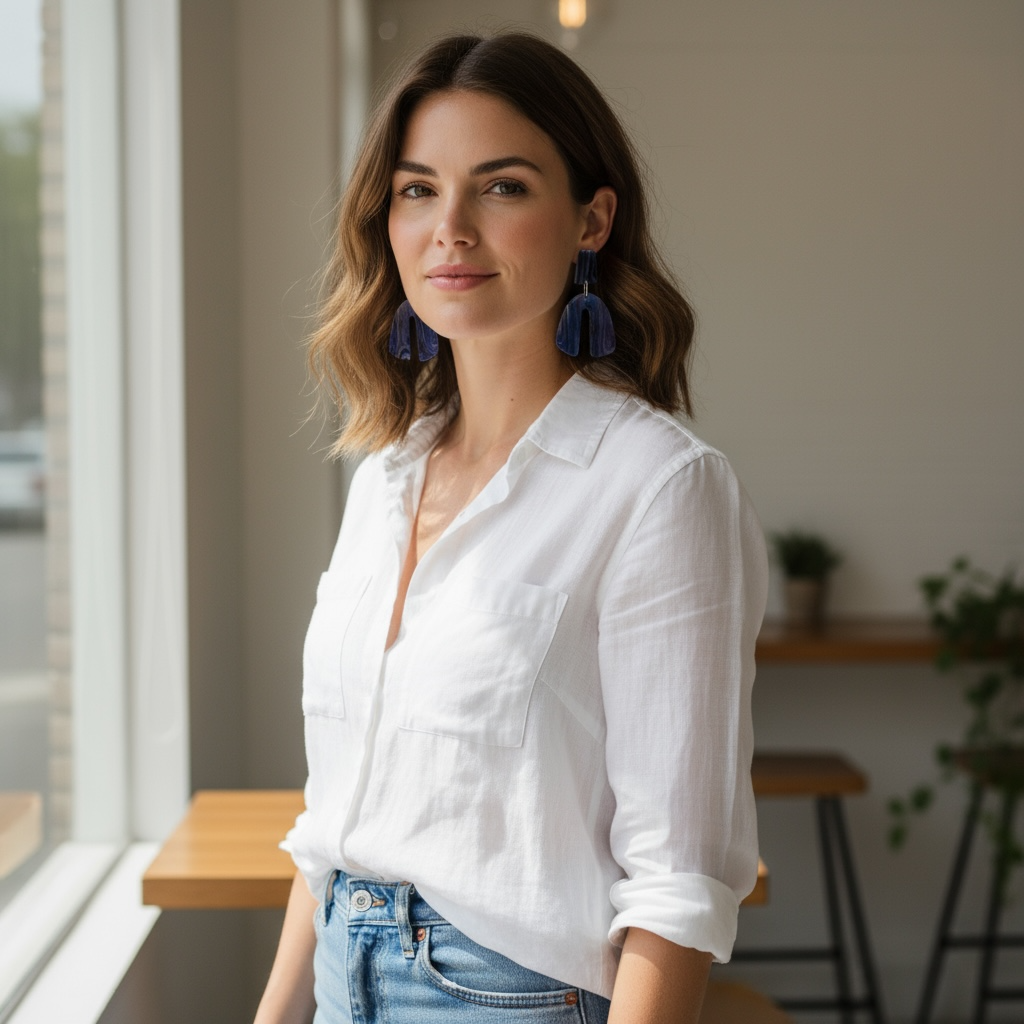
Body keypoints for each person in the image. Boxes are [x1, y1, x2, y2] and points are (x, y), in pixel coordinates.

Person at [255, 31, 767, 1024]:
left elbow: (677, 889)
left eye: (500, 187)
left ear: (591, 218)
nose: (450, 227)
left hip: (503, 997)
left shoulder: (658, 486)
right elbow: (331, 817)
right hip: (334, 970)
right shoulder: (383, 477)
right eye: (416, 189)